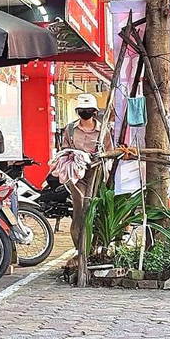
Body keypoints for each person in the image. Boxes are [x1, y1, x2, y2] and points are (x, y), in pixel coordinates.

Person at [56, 93, 108, 250]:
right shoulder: (70, 129)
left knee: (95, 207)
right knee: (80, 206)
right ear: (77, 112)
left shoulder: (103, 130)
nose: (85, 113)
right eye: (82, 110)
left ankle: (95, 245)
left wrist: (97, 156)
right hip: (76, 174)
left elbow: (109, 151)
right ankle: (81, 249)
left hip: (95, 173)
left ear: (94, 112)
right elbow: (64, 149)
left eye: (88, 110)